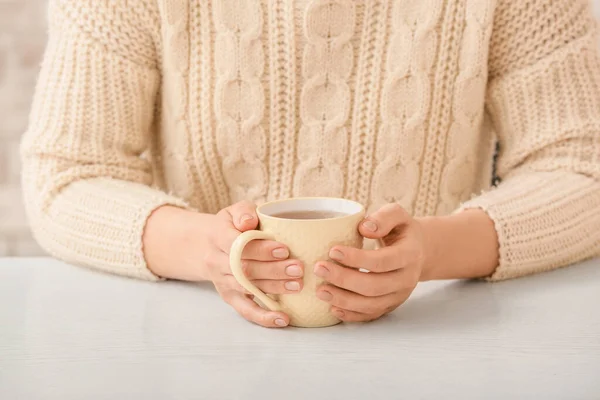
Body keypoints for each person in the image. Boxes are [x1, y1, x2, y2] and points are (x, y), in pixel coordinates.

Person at [21, 0, 600, 328]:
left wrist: (432, 251)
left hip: (435, 330)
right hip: (195, 336)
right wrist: (207, 249)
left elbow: (581, 168)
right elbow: (67, 172)